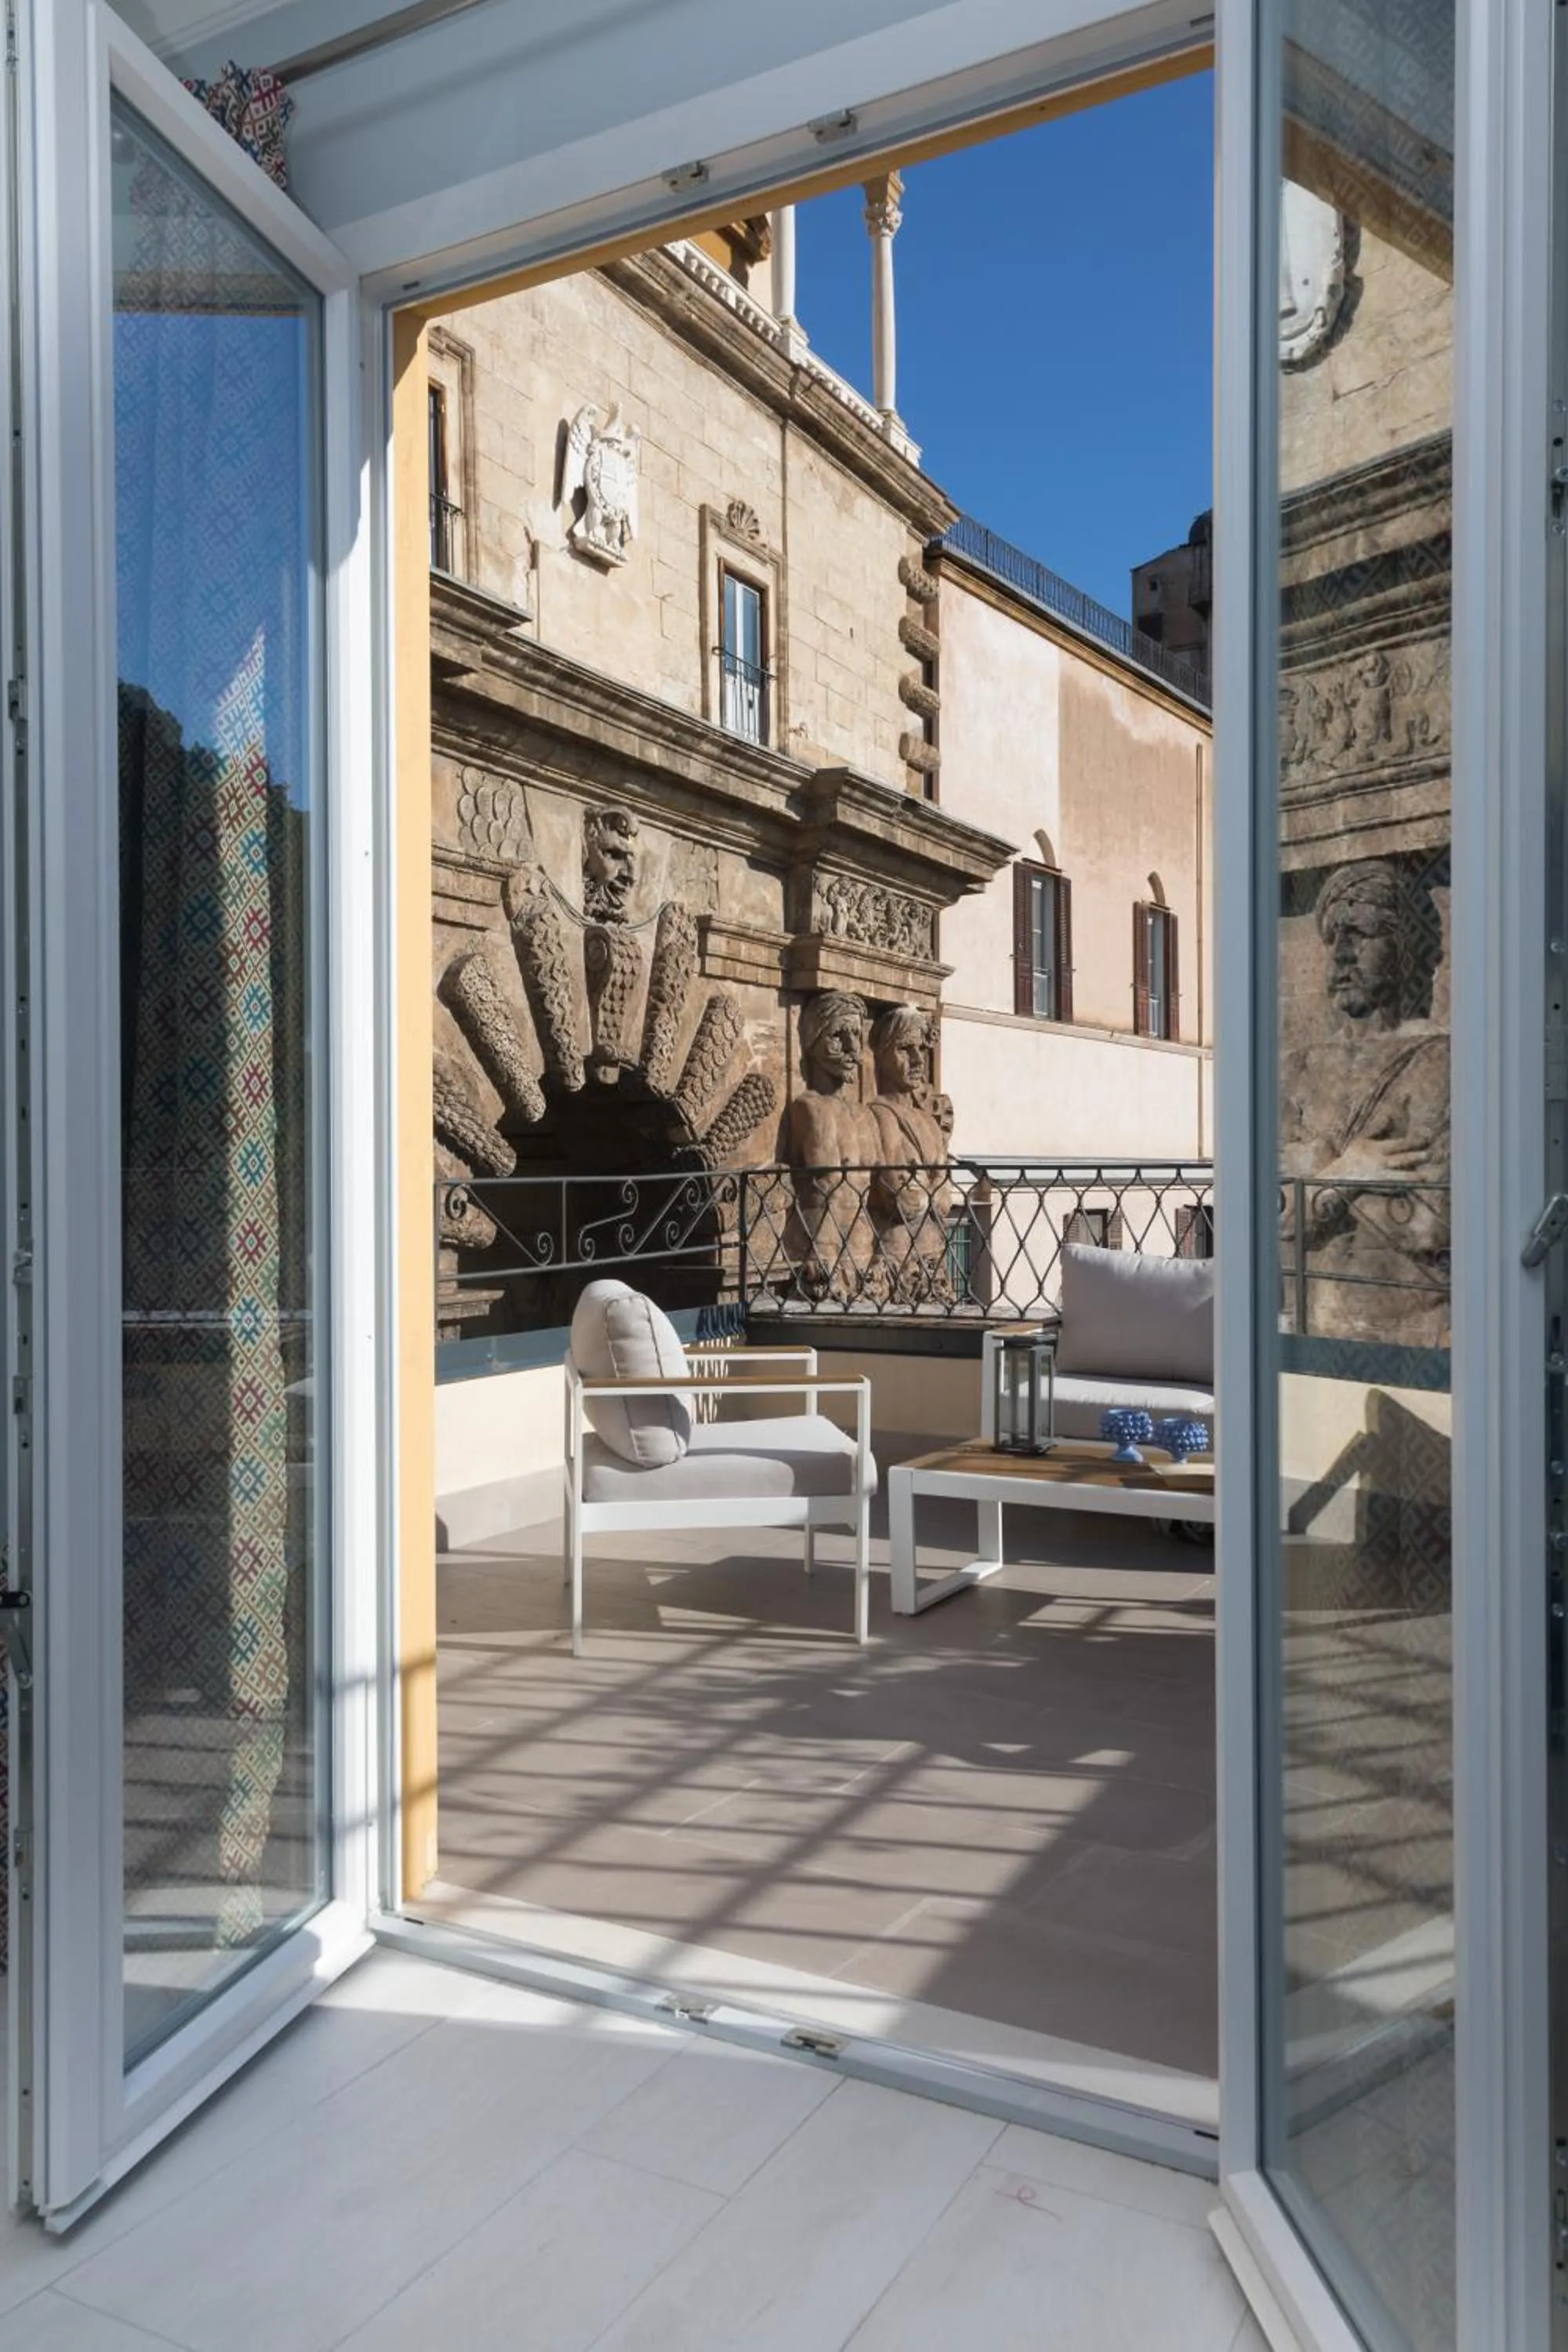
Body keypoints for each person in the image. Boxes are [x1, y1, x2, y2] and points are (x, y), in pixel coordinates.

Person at [1280, 858, 1450, 1345]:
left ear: (1406, 949)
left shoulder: (1440, 1062)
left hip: (1417, 1334)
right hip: (1316, 1329)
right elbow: (1270, 1215)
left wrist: (1311, 1171)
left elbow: (1429, 1225)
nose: (1344, 954)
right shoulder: (1301, 1069)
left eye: (1362, 934)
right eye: (1334, 939)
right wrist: (1350, 1173)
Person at [782, 992, 880, 1299]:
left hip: (864, 1249)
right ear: (813, 1042)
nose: (853, 1048)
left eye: (856, 1035)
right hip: (818, 1249)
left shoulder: (865, 1114)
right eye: (838, 1036)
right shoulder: (807, 1108)